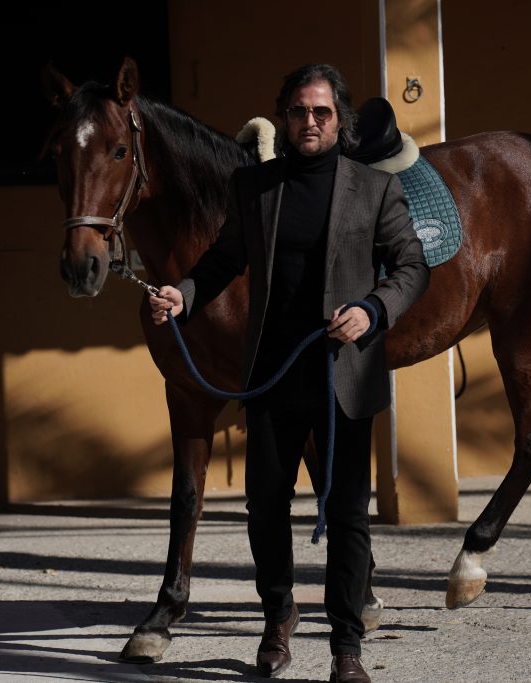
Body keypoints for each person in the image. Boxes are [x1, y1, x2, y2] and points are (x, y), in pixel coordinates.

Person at [149, 64, 428, 682]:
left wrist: (372, 309)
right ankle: (278, 621)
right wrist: (185, 295)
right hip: (273, 376)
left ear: (340, 119)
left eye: (321, 113)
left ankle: (347, 649)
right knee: (265, 507)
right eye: (299, 111)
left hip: (345, 379)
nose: (309, 122)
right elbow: (223, 259)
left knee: (350, 513)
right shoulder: (255, 188)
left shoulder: (374, 189)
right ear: (284, 116)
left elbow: (412, 266)